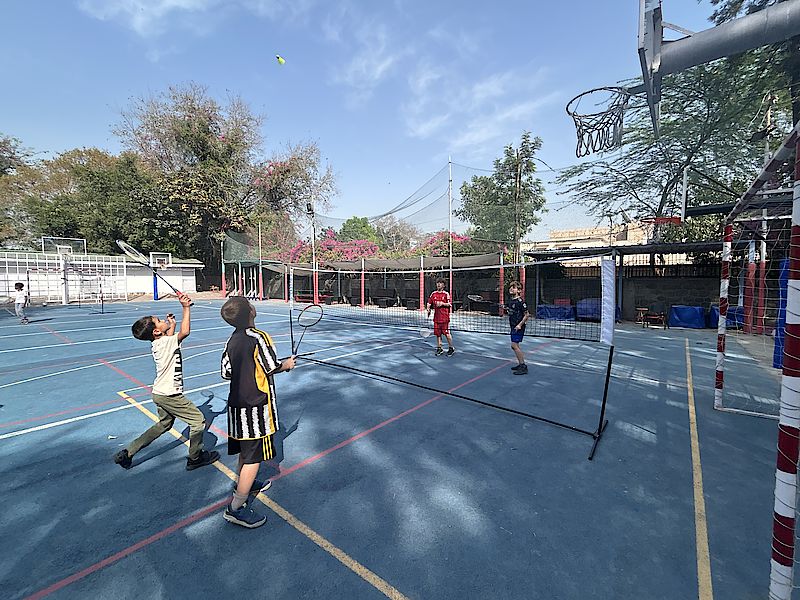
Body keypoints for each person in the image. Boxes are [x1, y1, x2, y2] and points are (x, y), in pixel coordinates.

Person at [114, 292, 220, 471]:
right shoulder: (165, 343)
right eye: (159, 321)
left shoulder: (158, 343)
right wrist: (186, 308)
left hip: (159, 393)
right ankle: (195, 457)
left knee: (164, 424)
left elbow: (170, 338)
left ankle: (128, 452)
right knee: (198, 422)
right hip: (170, 394)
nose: (163, 320)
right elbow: (185, 333)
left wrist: (171, 325)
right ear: (156, 331)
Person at [220, 296, 295, 529]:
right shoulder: (258, 337)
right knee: (254, 458)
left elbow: (225, 372)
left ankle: (244, 484)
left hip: (236, 405)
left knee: (245, 450)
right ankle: (236, 508)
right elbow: (272, 366)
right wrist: (287, 364)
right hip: (256, 407)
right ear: (250, 312)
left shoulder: (232, 339)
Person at [426, 278, 455, 356]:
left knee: (447, 334)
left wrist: (442, 303)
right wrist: (428, 308)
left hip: (444, 318)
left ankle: (451, 348)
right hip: (436, 318)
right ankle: (439, 348)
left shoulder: (446, 294)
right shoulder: (433, 294)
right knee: (438, 334)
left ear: (444, 285)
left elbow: (450, 304)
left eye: (441, 283)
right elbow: (429, 302)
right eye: (437, 283)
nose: (438, 284)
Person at [507, 281, 529, 375]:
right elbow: (512, 312)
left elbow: (527, 314)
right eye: (511, 287)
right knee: (516, 345)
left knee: (514, 345)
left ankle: (523, 366)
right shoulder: (511, 301)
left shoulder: (521, 302)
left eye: (514, 287)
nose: (511, 289)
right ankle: (521, 364)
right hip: (513, 325)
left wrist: (520, 325)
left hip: (518, 327)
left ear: (519, 290)